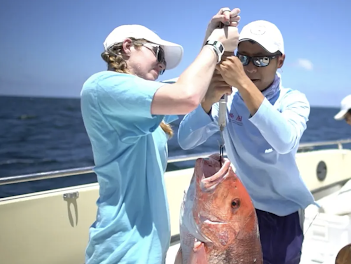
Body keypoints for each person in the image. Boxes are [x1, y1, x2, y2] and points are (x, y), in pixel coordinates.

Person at [79, 7, 241, 264]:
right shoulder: (102, 86)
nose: (163, 64)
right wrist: (216, 44)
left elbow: (193, 88)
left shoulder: (143, 106)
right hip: (121, 252)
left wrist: (211, 36)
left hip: (150, 253)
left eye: (164, 63)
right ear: (127, 46)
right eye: (158, 54)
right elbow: (186, 95)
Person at [177, 20, 315, 264]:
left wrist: (241, 82)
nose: (251, 68)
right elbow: (186, 140)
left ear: (280, 61)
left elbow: (285, 141)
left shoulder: (293, 101)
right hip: (234, 209)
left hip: (282, 214)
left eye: (261, 60)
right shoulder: (227, 100)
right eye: (244, 58)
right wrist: (209, 98)